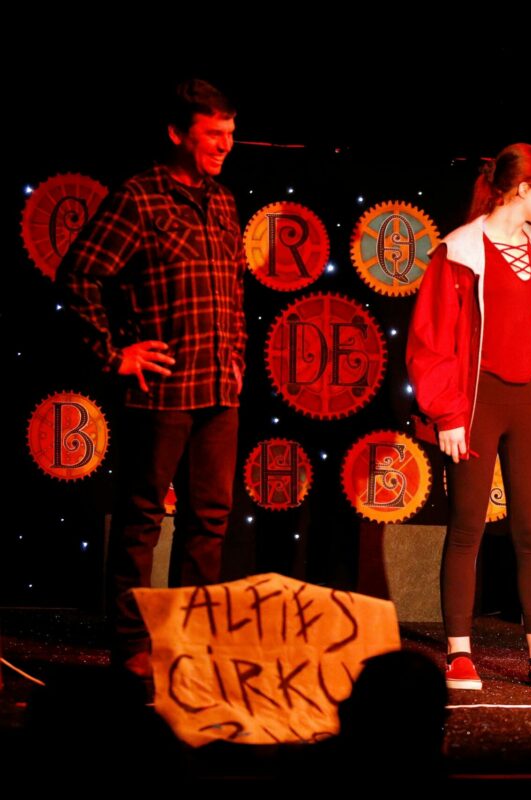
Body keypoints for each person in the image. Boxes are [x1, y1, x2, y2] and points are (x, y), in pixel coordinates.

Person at [57, 79, 246, 678]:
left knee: (209, 522)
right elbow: (80, 274)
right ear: (177, 133)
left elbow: (232, 285)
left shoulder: (223, 201)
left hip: (220, 388)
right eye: (212, 134)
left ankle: (187, 643)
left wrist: (236, 355)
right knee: (142, 518)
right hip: (163, 389)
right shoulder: (139, 197)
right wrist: (114, 354)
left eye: (230, 134)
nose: (224, 145)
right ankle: (132, 643)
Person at [407, 143, 531, 692]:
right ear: (521, 188)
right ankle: (459, 652)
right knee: (467, 527)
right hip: (475, 403)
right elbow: (432, 339)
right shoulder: (460, 250)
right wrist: (447, 413)